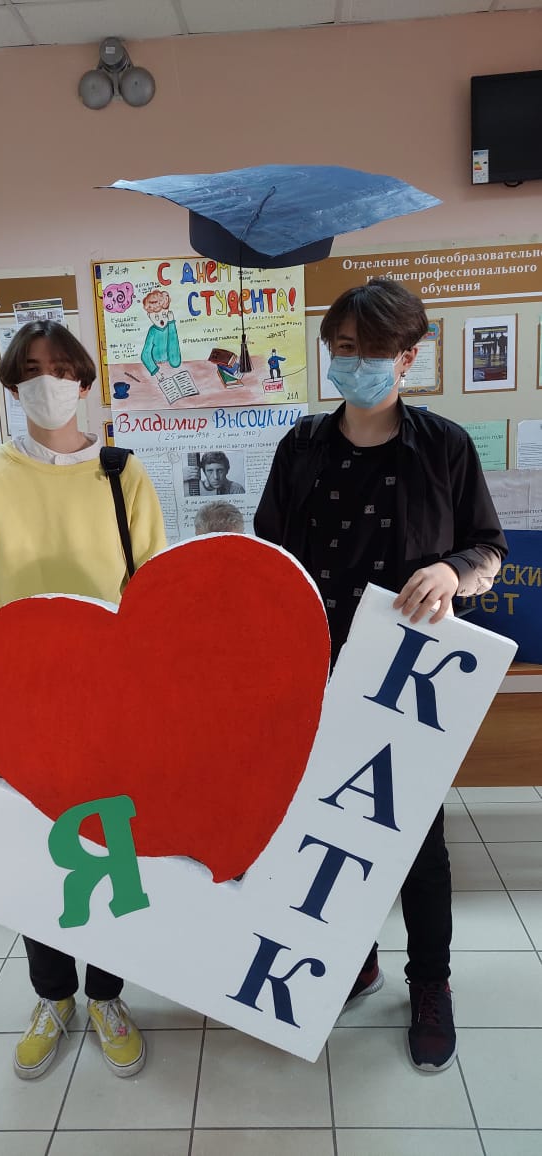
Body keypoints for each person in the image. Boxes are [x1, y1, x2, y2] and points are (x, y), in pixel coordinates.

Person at [255, 278, 507, 1074]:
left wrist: (453, 571)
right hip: (312, 672)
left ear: (408, 356)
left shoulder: (443, 446)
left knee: (416, 842)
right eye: (342, 349)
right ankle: (350, 957)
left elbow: (489, 550)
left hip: (407, 681)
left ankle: (428, 982)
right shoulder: (300, 447)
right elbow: (269, 559)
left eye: (373, 351)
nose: (355, 363)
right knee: (323, 827)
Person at [0, 320, 166, 1082]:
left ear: (84, 380)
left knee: (113, 850)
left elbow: (154, 595)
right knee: (39, 856)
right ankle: (53, 996)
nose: (46, 382)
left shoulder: (123, 473)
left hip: (114, 703)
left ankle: (108, 996)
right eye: (29, 370)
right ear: (11, 385)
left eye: (59, 368)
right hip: (20, 705)